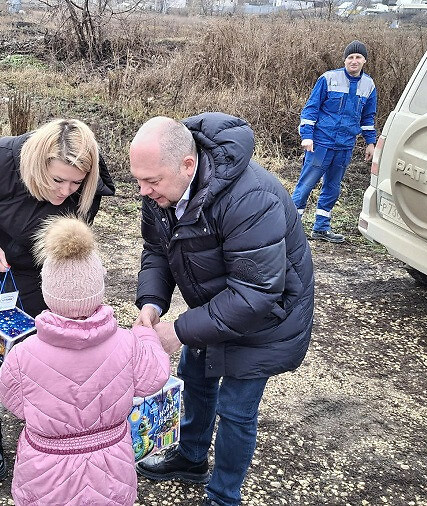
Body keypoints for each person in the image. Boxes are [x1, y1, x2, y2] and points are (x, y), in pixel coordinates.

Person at [129, 114, 314, 506]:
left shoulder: (251, 198)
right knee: (194, 374)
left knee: (236, 410)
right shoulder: (160, 191)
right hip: (216, 301)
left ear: (188, 165)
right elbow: (157, 250)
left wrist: (178, 331)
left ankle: (224, 495)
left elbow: (255, 293)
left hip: (269, 315)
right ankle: (191, 457)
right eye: (138, 180)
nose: (143, 191)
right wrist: (152, 302)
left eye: (152, 181)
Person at [0, 118, 115, 483]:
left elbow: (71, 238)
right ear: (39, 164)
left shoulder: (87, 188)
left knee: (40, 353)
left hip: (36, 275)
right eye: (58, 180)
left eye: (76, 182)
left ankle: (36, 429)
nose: (67, 191)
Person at [0, 216, 171, 505]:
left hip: (46, 467)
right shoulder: (128, 343)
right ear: (97, 286)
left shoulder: (23, 353)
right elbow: (156, 374)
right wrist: (146, 335)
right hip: (110, 463)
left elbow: (13, 400)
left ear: (48, 291)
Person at [292, 39, 378, 243]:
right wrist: (306, 136)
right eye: (350, 57)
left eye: (358, 57)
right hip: (321, 143)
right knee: (306, 184)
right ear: (344, 60)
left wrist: (370, 142)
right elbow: (311, 108)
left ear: (364, 60)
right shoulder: (328, 78)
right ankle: (291, 228)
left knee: (333, 187)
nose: (354, 61)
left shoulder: (369, 85)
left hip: (345, 145)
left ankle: (321, 228)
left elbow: (368, 117)